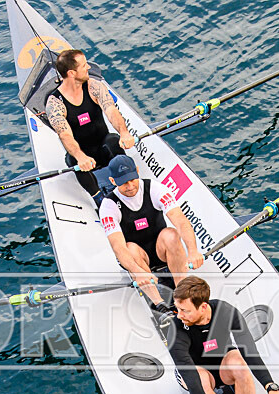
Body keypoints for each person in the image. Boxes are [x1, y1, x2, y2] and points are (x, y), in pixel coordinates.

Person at [99, 156, 204, 307]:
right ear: (113, 181)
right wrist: (137, 271)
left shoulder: (155, 188)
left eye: (132, 180)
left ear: (137, 171)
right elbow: (118, 247)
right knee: (130, 249)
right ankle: (159, 304)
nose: (129, 186)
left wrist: (193, 251)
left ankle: (182, 291)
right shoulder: (109, 206)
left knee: (172, 234)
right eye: (123, 183)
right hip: (138, 257)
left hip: (160, 250)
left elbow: (180, 220)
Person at [45, 49, 135, 203]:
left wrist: (125, 132)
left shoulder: (94, 87)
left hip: (103, 147)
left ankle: (128, 184)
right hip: (84, 158)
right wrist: (80, 157)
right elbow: (64, 134)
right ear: (72, 73)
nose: (88, 68)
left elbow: (111, 110)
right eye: (84, 65)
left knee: (114, 140)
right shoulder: (55, 103)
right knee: (72, 160)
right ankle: (98, 197)